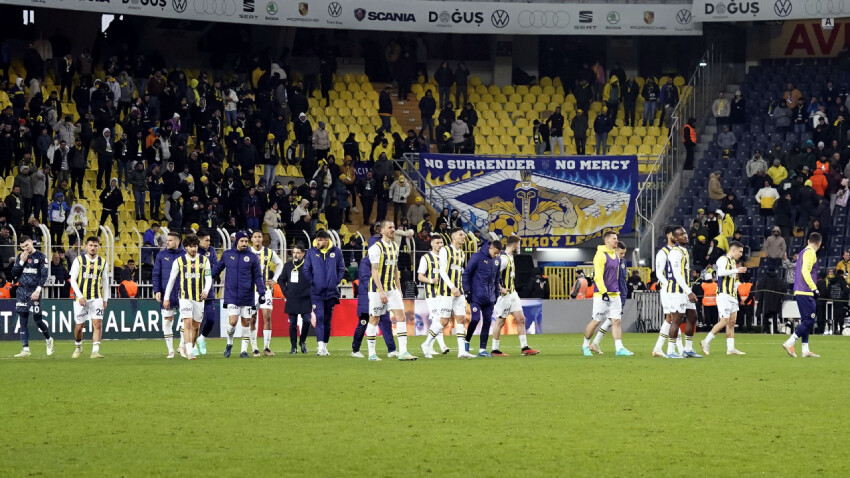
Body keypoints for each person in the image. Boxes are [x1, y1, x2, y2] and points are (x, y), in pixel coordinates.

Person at [365, 220, 418, 361]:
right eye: (390, 227)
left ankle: (403, 352)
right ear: (382, 231)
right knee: (374, 319)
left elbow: (395, 269)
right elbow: (374, 271)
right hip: (377, 290)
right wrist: (381, 291)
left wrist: (399, 289)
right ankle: (371, 353)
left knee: (401, 317)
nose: (393, 229)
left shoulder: (395, 246)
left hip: (392, 289)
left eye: (394, 227)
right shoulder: (376, 248)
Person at [211, 231, 266, 358]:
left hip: (247, 295)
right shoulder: (227, 254)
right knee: (233, 322)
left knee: (246, 321)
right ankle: (229, 343)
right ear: (237, 241)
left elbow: (258, 276)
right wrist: (207, 277)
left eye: (246, 241)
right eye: (242, 241)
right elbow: (217, 269)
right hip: (231, 294)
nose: (244, 244)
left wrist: (261, 292)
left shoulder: (252, 257)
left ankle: (244, 351)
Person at [581, 231, 632, 356]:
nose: (616, 241)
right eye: (614, 239)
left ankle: (619, 348)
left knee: (616, 321)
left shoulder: (616, 256)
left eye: (616, 238)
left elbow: (616, 276)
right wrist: (603, 292)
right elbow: (598, 276)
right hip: (602, 294)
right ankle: (585, 345)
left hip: (615, 294)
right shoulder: (600, 255)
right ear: (607, 241)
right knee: (596, 321)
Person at [163, 234, 212, 361]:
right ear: (185, 247)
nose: (193, 249)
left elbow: (208, 278)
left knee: (196, 327)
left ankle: (187, 345)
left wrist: (206, 290)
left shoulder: (204, 260)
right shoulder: (179, 261)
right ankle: (190, 352)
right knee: (187, 323)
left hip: (199, 298)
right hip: (184, 297)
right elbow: (171, 280)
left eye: (195, 246)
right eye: (191, 246)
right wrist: (166, 298)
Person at [491, 235, 539, 356]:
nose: (519, 247)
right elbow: (492, 275)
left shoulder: (510, 257)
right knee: (500, 322)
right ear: (514, 245)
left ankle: (525, 348)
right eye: (518, 245)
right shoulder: (503, 259)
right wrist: (500, 288)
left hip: (513, 293)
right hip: (504, 296)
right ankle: (494, 349)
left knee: (521, 319)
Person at [351, 234, 397, 358]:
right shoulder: (366, 261)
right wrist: (378, 290)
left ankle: (392, 350)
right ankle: (355, 350)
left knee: (386, 322)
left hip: (380, 296)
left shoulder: (381, 260)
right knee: (363, 323)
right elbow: (365, 280)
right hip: (368, 298)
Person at [701, 241, 748, 355]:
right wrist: (737, 270)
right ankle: (706, 341)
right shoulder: (722, 259)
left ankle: (730, 348)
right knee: (724, 321)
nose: (741, 254)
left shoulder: (732, 261)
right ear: (733, 250)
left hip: (732, 295)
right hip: (723, 295)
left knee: (731, 322)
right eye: (740, 251)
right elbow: (720, 273)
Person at [303, 230, 345, 356]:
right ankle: (320, 347)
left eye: (320, 240)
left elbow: (341, 268)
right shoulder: (311, 252)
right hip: (316, 292)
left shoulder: (336, 252)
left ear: (327, 240)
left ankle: (325, 346)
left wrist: (335, 282)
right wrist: (313, 282)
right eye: (316, 240)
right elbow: (306, 269)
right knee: (319, 318)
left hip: (331, 292)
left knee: (327, 320)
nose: (317, 242)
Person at [11, 236, 53, 358]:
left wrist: (38, 290)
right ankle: (25, 349)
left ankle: (49, 339)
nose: (25, 249)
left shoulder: (41, 257)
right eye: (23, 247)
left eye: (27, 245)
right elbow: (14, 273)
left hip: (34, 291)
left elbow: (44, 276)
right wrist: (21, 262)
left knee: (37, 320)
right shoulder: (21, 256)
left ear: (31, 242)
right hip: (22, 291)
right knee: (22, 319)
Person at [68, 237, 109, 359]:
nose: (93, 248)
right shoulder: (79, 260)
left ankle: (95, 351)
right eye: (91, 245)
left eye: (95, 246)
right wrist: (80, 296)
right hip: (81, 299)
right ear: (86, 246)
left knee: (97, 324)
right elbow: (73, 280)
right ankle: (78, 346)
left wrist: (105, 299)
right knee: (80, 326)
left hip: (97, 298)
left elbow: (106, 282)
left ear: (98, 247)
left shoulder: (103, 262)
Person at [664, 227, 702, 358]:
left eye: (685, 233)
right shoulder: (675, 252)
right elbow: (676, 274)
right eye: (681, 234)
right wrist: (689, 292)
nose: (685, 236)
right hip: (676, 291)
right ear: (674, 238)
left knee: (693, 316)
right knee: (677, 320)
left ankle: (688, 349)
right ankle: (670, 351)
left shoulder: (683, 250)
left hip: (684, 291)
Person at [783, 233, 823, 357]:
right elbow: (805, 270)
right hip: (806, 291)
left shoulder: (802, 252)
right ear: (819, 244)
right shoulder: (811, 253)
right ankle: (790, 342)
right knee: (810, 319)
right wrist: (814, 288)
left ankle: (805, 349)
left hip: (799, 290)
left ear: (807, 241)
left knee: (806, 320)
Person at [462, 238, 502, 357]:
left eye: (498, 254)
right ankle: (466, 341)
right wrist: (467, 291)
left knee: (487, 322)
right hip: (476, 296)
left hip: (489, 298)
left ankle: (482, 350)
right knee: (475, 319)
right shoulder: (477, 256)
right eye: (495, 253)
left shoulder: (497, 260)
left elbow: (496, 279)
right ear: (491, 248)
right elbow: (467, 273)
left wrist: (496, 294)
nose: (496, 256)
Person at [440, 227, 477, 359]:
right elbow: (442, 271)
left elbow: (460, 273)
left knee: (461, 319)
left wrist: (462, 288)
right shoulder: (445, 250)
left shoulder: (461, 253)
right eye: (461, 235)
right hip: (447, 291)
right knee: (443, 321)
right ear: (453, 237)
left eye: (464, 235)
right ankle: (427, 343)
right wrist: (452, 287)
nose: (464, 237)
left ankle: (462, 351)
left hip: (459, 291)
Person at [248, 230, 283, 356]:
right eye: (255, 237)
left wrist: (274, 280)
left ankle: (266, 348)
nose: (257, 239)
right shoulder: (247, 252)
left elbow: (280, 264)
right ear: (251, 239)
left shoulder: (269, 252)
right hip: (251, 292)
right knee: (252, 318)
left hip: (266, 290)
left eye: (259, 237)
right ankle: (254, 348)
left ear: (262, 239)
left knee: (267, 316)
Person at [418, 233, 452, 358]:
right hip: (432, 294)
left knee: (440, 319)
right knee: (437, 319)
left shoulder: (446, 258)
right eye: (437, 243)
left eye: (441, 243)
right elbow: (420, 276)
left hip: (444, 294)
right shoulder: (426, 258)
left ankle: (430, 346)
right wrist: (431, 280)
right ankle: (442, 345)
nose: (439, 245)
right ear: (431, 243)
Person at [153, 231, 186, 358]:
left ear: (178, 242)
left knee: (186, 321)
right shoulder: (161, 256)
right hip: (167, 293)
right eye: (167, 240)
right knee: (167, 321)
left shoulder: (185, 255)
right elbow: (156, 274)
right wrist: (157, 290)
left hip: (183, 293)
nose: (167, 242)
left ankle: (181, 346)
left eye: (170, 240)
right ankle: (170, 350)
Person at [281, 243, 311, 354]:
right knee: (292, 324)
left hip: (306, 298)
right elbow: (281, 280)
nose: (295, 255)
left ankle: (302, 341)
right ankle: (293, 347)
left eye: (298, 253)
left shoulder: (308, 266)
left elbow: (313, 281)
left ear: (303, 254)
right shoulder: (288, 266)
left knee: (307, 321)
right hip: (292, 298)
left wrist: (311, 292)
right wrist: (286, 292)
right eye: (294, 252)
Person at [194, 231, 219, 355]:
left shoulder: (212, 251)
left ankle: (202, 338)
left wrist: (207, 276)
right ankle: (191, 345)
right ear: (199, 240)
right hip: (193, 291)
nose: (209, 243)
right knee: (194, 321)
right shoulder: (193, 251)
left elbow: (215, 267)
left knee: (210, 320)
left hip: (208, 291)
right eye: (206, 240)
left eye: (209, 240)